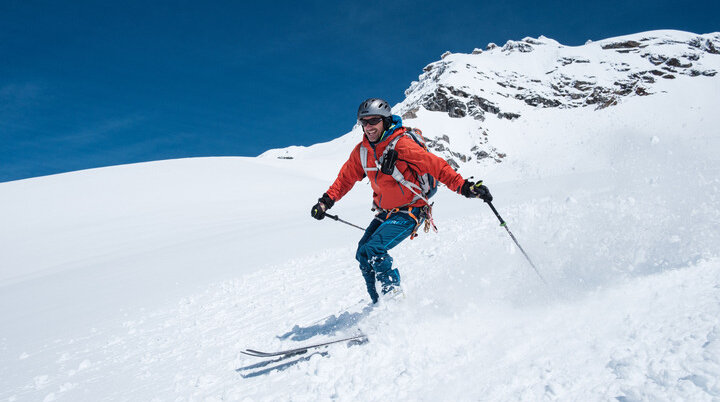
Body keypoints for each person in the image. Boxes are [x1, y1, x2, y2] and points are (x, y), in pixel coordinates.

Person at [311, 98, 492, 303]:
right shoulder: (362, 151)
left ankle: (394, 302)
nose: (368, 127)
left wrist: (465, 187)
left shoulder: (402, 143)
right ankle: (378, 303)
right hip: (385, 212)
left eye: (374, 121)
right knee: (363, 253)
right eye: (364, 122)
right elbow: (345, 179)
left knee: (374, 248)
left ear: (385, 121)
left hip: (411, 210)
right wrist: (326, 202)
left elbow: (436, 166)